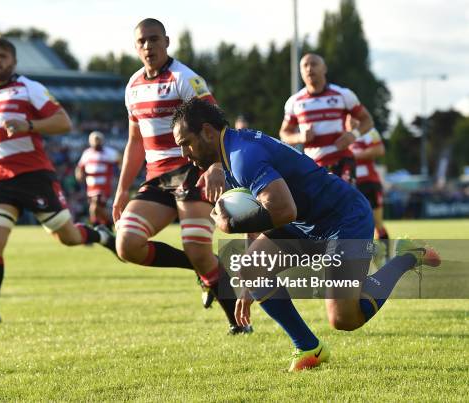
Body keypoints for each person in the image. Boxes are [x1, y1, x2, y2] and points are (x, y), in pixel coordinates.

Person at [171, 97, 441, 371]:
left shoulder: (242, 156)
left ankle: (407, 256)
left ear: (207, 131)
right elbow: (258, 211)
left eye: (185, 143)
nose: (184, 154)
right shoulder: (231, 152)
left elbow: (283, 210)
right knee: (249, 268)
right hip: (307, 225)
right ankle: (308, 347)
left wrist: (229, 226)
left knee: (345, 319)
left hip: (343, 220)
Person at [0, 35, 115, 324]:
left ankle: (100, 234)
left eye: (3, 56)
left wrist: (28, 124)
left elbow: (63, 122)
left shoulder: (30, 88)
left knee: (67, 236)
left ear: (13, 61)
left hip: (34, 176)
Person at [114, 18, 249, 334]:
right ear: (136, 47)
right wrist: (121, 190)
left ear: (166, 41)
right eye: (142, 41)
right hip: (157, 179)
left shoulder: (185, 79)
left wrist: (216, 166)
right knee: (127, 244)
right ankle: (199, 269)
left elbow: (218, 125)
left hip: (191, 171)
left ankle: (239, 325)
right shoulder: (133, 86)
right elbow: (135, 141)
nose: (148, 46)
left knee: (199, 248)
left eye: (154, 39)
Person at [279, 53, 374, 184]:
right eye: (304, 66)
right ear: (300, 71)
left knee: (344, 202)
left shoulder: (343, 94)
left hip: (342, 160)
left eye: (314, 64)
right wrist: (300, 137)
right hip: (312, 165)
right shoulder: (294, 102)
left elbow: (367, 120)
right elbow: (284, 134)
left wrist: (353, 135)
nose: (309, 68)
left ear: (324, 68)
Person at [348, 120, 390, 259]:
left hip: (369, 183)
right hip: (348, 184)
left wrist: (354, 156)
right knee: (354, 225)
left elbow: (379, 149)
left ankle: (385, 257)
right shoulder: (339, 132)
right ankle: (364, 256)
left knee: (377, 224)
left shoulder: (369, 132)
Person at [75, 131, 120, 229]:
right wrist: (79, 175)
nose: (96, 142)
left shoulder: (110, 152)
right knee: (97, 208)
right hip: (91, 186)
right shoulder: (87, 153)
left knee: (95, 206)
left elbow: (120, 163)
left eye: (98, 139)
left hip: (104, 187)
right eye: (94, 140)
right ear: (90, 141)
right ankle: (108, 224)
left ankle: (94, 228)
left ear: (102, 140)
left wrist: (117, 178)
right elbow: (80, 167)